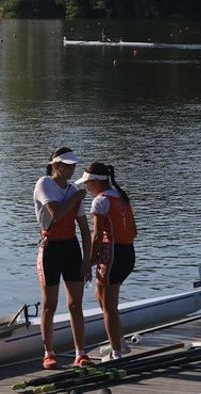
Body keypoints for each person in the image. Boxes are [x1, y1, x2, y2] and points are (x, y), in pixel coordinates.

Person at [33, 147, 93, 369]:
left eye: (73, 165)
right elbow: (56, 214)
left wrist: (87, 260)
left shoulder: (73, 189)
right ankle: (49, 352)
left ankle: (81, 353)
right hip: (50, 248)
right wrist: (76, 196)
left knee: (75, 304)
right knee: (50, 304)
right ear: (55, 166)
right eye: (67, 165)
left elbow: (85, 231)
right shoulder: (44, 184)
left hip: (70, 247)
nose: (72, 169)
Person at [80, 162, 137, 360]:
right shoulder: (121, 196)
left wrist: (89, 261)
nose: (86, 188)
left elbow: (96, 237)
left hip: (112, 254)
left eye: (88, 184)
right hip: (128, 253)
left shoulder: (100, 201)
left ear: (96, 182)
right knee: (101, 296)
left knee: (109, 307)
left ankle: (117, 354)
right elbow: (134, 231)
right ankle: (119, 342)